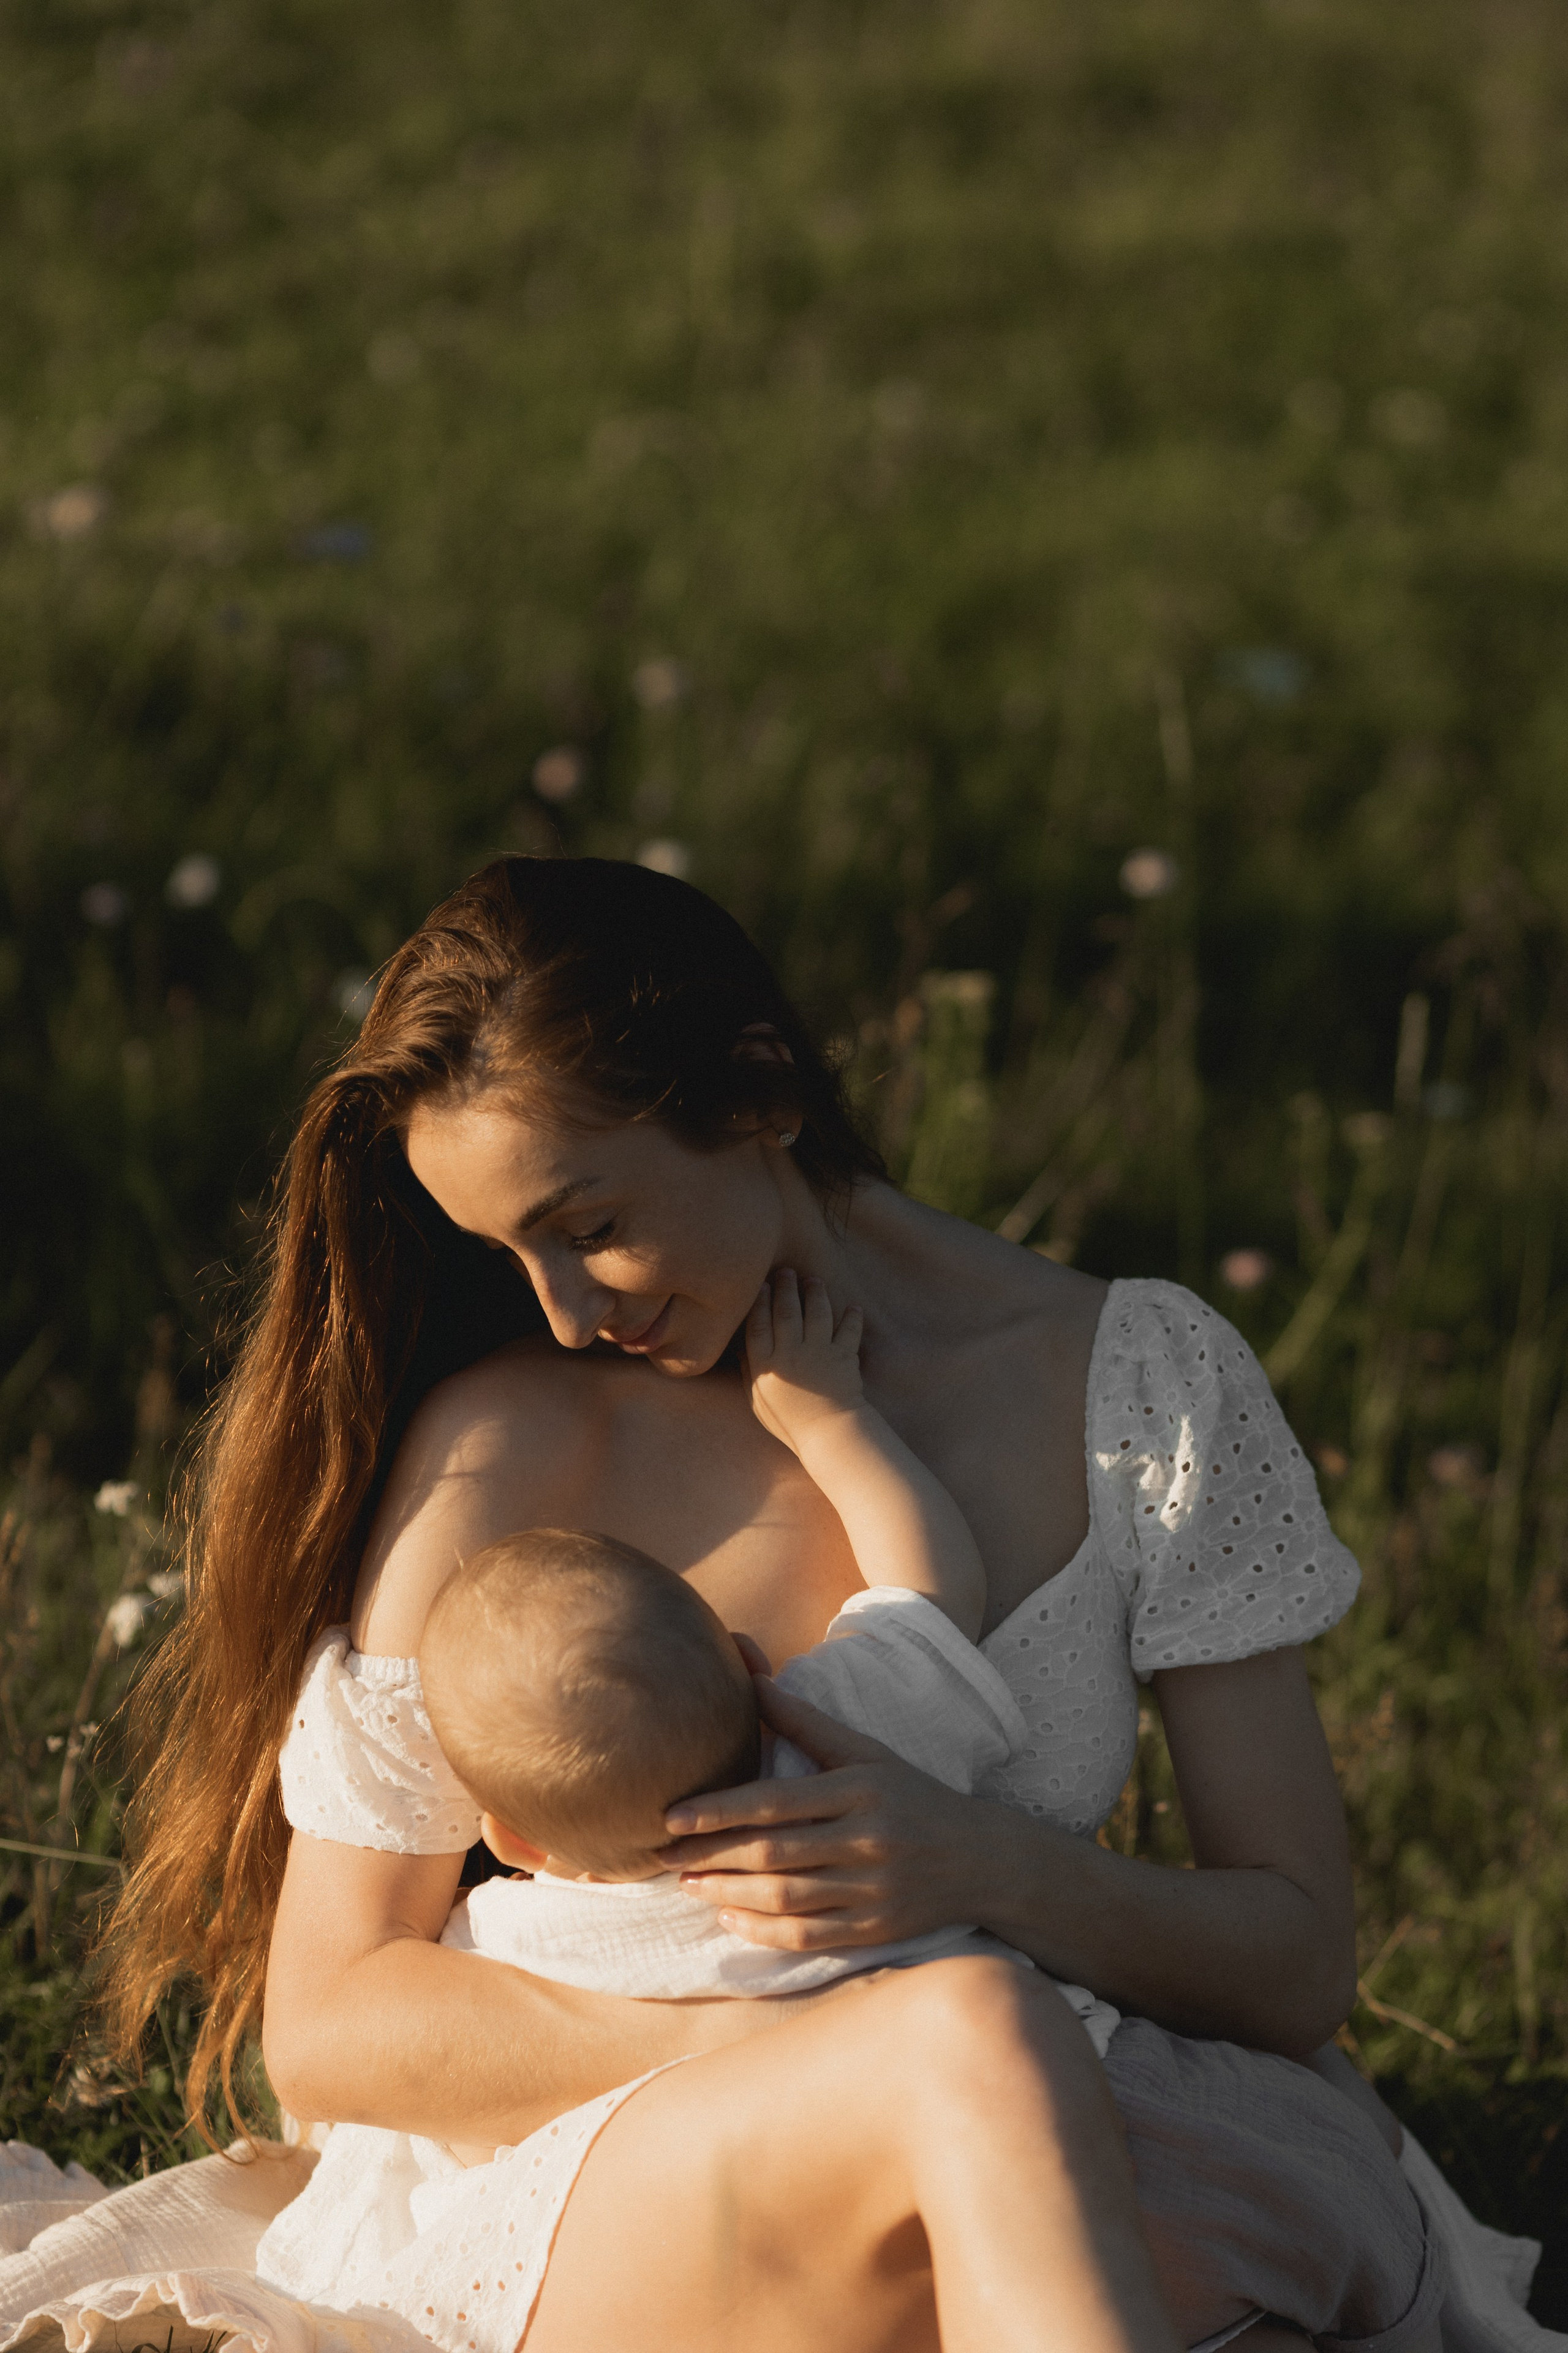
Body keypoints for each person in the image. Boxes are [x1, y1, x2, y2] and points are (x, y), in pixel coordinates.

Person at [89, 856, 1545, 2352]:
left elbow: (1295, 1958)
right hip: (636, 2178)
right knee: (966, 2048)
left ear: (759, 1089)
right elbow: (329, 2025)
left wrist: (979, 1870)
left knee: (1114, 2148)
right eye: (504, 1252)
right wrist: (812, 2036)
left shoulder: (1134, 1386)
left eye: (587, 1222)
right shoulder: (512, 1443)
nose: (566, 1310)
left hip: (1037, 2116)